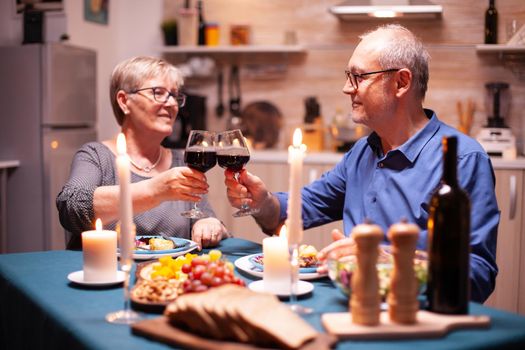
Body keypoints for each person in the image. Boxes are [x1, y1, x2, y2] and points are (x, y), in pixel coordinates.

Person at [224, 24, 499, 303]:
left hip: (416, 321)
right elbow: (293, 212)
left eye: (358, 77)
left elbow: (477, 275)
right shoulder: (363, 152)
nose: (346, 88)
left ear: (401, 83)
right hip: (352, 306)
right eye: (348, 76)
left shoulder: (463, 160)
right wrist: (261, 201)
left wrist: (387, 260)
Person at [57, 56, 227, 250]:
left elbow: (207, 217)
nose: (171, 104)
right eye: (158, 92)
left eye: (174, 95)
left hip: (165, 277)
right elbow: (71, 207)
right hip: (109, 276)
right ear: (124, 101)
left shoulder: (182, 160)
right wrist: (155, 190)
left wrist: (209, 225)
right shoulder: (95, 155)